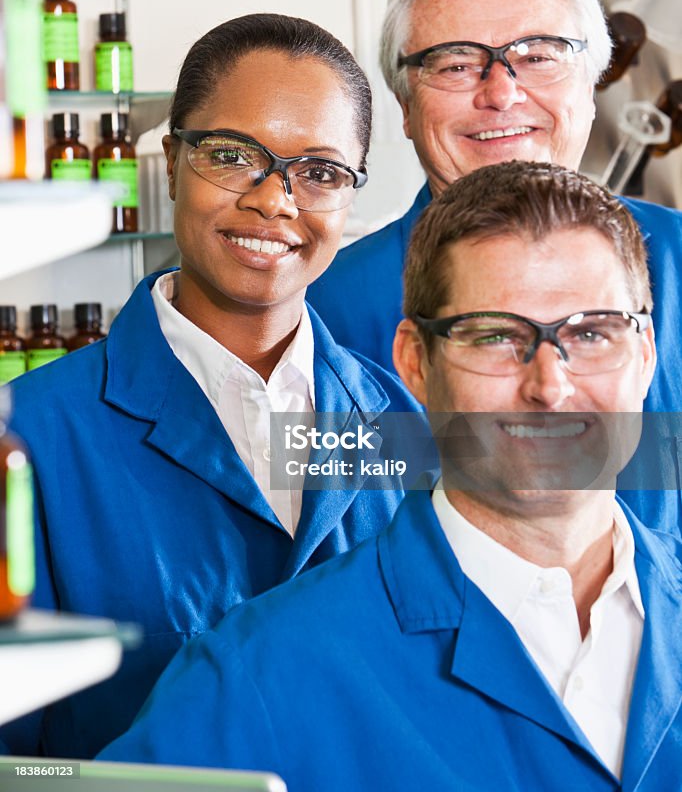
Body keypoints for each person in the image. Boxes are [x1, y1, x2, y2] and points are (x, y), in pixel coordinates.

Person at [99, 162, 682, 792]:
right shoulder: (264, 677)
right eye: (493, 337)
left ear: (645, 354)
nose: (549, 385)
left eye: (592, 333)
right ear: (415, 362)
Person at [0, 14, 423, 759]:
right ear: (171, 162)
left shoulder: (403, 425)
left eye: (319, 171)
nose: (275, 200)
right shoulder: (33, 437)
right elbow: (21, 764)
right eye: (233, 156)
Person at [307, 0, 682, 423]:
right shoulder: (320, 315)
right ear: (405, 105)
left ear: (590, 87)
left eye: (539, 56)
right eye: (456, 66)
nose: (502, 95)